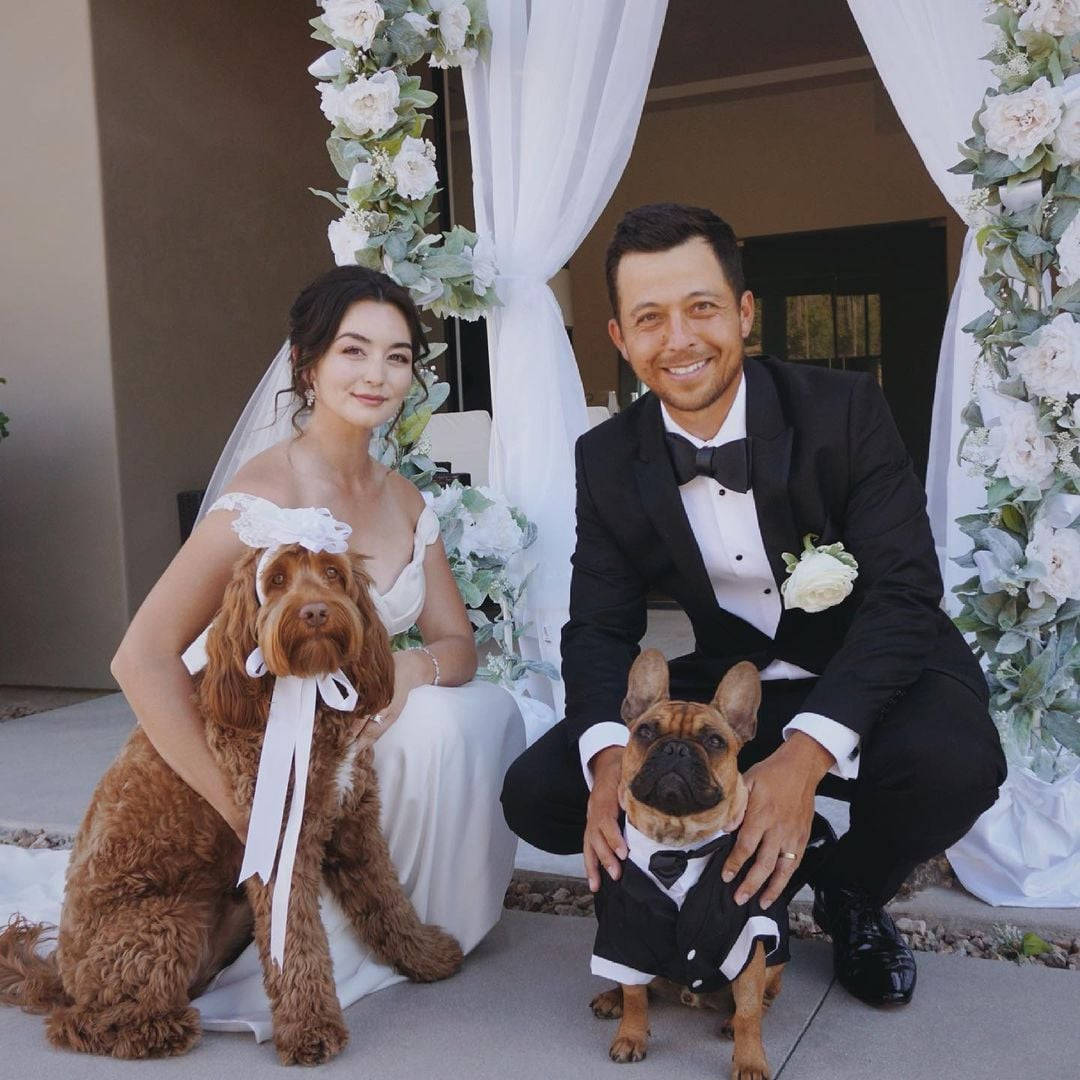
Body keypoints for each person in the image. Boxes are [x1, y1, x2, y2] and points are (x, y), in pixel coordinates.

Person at [501, 203, 1006, 1007]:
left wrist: (804, 758)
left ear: (744, 311)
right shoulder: (607, 456)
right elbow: (598, 623)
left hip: (870, 659)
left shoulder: (845, 409)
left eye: (701, 307)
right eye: (650, 318)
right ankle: (692, 897)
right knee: (539, 790)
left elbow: (907, 592)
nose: (679, 338)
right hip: (736, 681)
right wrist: (605, 763)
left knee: (956, 764)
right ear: (620, 339)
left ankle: (849, 887)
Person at [21, 266, 525, 1041]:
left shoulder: (405, 500)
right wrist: (242, 809)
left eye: (398, 358)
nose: (377, 375)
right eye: (355, 351)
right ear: (308, 363)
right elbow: (141, 658)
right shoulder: (260, 496)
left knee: (474, 711)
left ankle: (419, 926)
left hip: (345, 736)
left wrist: (410, 674)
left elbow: (458, 643)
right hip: (245, 758)